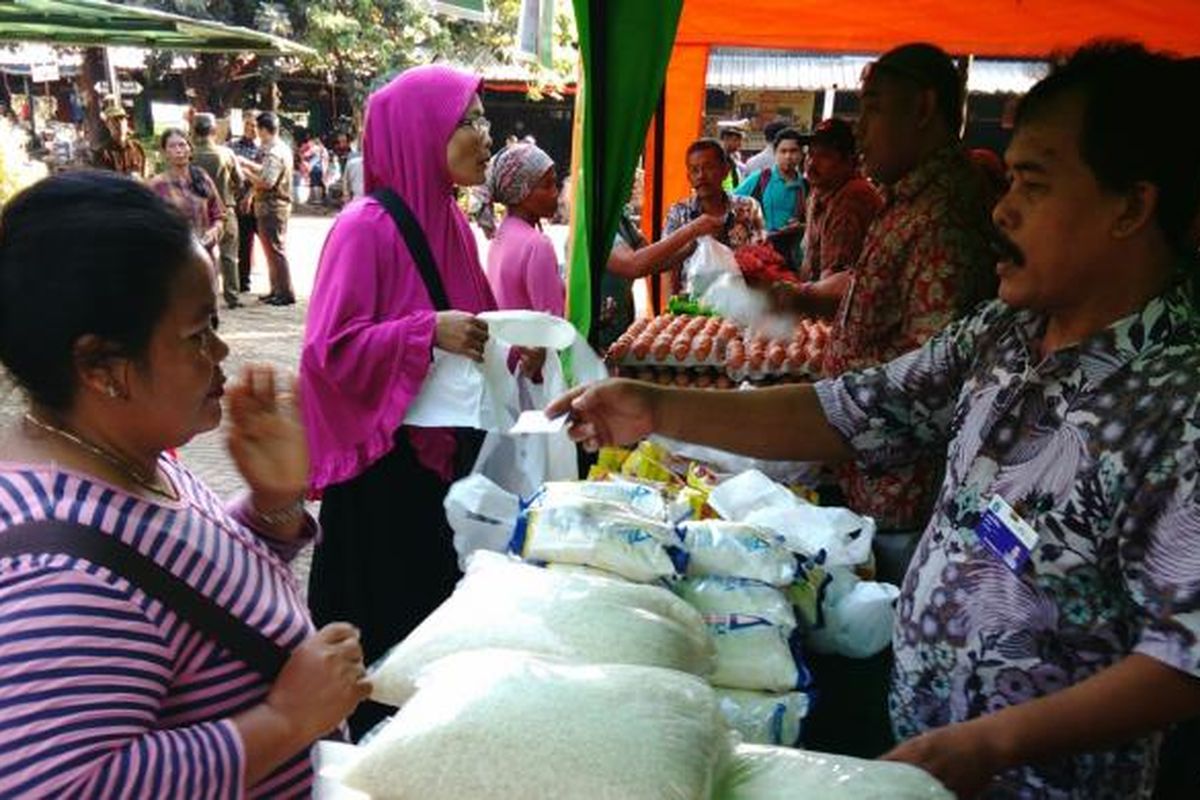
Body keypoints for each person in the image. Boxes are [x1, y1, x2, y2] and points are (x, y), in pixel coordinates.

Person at [548, 40, 1200, 799]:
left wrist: (991, 741)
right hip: (929, 753)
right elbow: (853, 410)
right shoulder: (1004, 333)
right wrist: (653, 406)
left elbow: (1184, 657)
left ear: (1132, 206)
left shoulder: (1177, 404)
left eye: (1032, 182)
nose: (1002, 208)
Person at [0, 171, 369, 796]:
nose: (221, 352)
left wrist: (272, 506)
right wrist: (284, 721)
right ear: (103, 368)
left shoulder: (116, 456)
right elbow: (61, 788)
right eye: (197, 335)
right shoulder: (59, 579)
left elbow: (179, 586)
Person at [300, 65, 503, 739]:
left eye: (481, 119)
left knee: (440, 637)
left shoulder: (453, 223)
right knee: (388, 648)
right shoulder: (365, 227)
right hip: (384, 480)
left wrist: (507, 343)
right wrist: (425, 331)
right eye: (468, 120)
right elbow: (328, 353)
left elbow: (478, 323)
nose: (484, 135)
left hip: (445, 473)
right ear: (422, 132)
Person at [774, 118, 882, 316]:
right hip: (818, 301)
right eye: (811, 154)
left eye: (824, 156)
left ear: (849, 161)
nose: (812, 163)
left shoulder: (852, 197)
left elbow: (836, 280)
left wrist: (797, 296)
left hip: (843, 312)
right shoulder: (819, 191)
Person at [596, 211, 725, 352]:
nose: (631, 189)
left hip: (619, 329)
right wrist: (691, 229)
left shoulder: (621, 220)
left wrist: (691, 247)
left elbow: (652, 262)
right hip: (596, 336)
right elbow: (632, 265)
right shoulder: (596, 219)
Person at [663, 138, 765, 293]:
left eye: (709, 167)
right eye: (694, 170)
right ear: (689, 177)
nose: (701, 176)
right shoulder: (679, 212)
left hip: (740, 304)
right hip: (693, 305)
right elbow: (667, 264)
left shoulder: (747, 208)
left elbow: (762, 257)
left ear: (725, 171)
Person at [485, 143, 564, 317]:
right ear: (521, 192)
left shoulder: (501, 234)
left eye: (555, 183)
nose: (555, 193)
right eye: (547, 185)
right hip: (531, 343)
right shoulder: (537, 244)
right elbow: (552, 326)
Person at [192, 113, 246, 309]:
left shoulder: (189, 155)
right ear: (214, 130)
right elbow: (240, 181)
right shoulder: (226, 154)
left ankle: (206, 295)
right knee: (229, 255)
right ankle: (232, 296)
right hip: (226, 209)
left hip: (199, 212)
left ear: (194, 131)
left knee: (202, 255)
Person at [242, 112, 295, 306]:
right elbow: (265, 172)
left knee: (275, 249)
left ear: (263, 130)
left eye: (257, 128)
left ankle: (285, 292)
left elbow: (267, 181)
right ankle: (276, 289)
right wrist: (248, 164)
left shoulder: (274, 152)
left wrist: (246, 173)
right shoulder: (280, 149)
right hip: (272, 206)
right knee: (271, 250)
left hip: (273, 205)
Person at [735, 127, 808, 267]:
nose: (788, 156)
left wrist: (801, 226)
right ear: (775, 153)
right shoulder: (760, 178)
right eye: (783, 151)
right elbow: (732, 202)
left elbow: (815, 223)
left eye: (793, 151)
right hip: (759, 255)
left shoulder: (806, 186)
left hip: (793, 257)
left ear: (801, 154)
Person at [149, 128, 224, 262]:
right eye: (172, 146)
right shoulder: (156, 185)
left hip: (205, 256)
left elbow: (219, 215)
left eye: (182, 144)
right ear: (165, 152)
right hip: (174, 258)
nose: (178, 150)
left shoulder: (202, 177)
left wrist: (214, 231)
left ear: (190, 149)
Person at [231, 111, 263, 293]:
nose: (252, 129)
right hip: (239, 201)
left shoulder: (265, 149)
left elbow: (262, 176)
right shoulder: (232, 147)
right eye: (248, 124)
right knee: (243, 243)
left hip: (260, 201)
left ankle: (278, 284)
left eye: (255, 125)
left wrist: (251, 193)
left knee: (270, 244)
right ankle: (243, 282)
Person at [92, 96, 146, 179]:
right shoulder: (102, 153)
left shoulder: (138, 148)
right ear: (107, 125)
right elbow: (104, 182)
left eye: (122, 119)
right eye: (114, 121)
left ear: (127, 122)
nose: (119, 124)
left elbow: (144, 175)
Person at [718, 119, 748, 191]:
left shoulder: (733, 157)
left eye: (740, 140)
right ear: (726, 139)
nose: (740, 144)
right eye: (736, 140)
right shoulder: (718, 159)